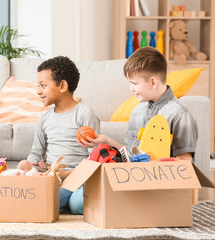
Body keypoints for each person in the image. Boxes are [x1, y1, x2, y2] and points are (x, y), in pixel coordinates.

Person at [79, 47, 199, 202]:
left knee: (91, 201)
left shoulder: (180, 115)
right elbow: (133, 154)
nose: (131, 89)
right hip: (136, 180)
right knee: (87, 196)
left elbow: (185, 163)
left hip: (164, 190)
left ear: (153, 82)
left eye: (134, 83)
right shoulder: (138, 111)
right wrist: (106, 141)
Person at [17, 56, 99, 214]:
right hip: (52, 177)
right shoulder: (45, 117)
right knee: (32, 191)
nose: (38, 90)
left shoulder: (84, 114)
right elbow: (36, 152)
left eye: (43, 85)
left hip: (79, 178)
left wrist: (68, 174)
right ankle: (62, 201)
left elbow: (93, 158)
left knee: (78, 205)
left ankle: (68, 202)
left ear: (62, 86)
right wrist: (27, 166)